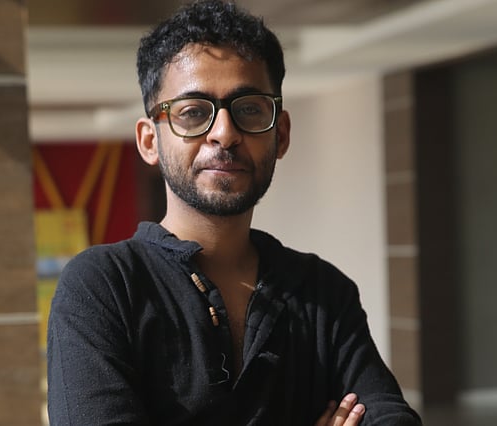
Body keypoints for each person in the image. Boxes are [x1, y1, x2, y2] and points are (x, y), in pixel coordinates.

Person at [47, 1, 422, 425]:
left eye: (248, 110)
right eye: (193, 112)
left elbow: (391, 417)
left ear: (281, 134)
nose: (224, 134)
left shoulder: (322, 292)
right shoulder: (103, 288)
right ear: (150, 141)